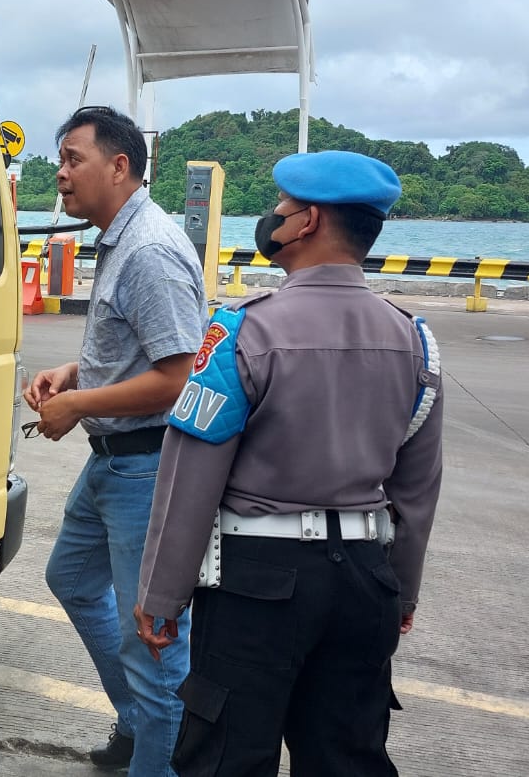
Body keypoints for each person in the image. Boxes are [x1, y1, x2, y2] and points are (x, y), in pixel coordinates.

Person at [133, 150, 444, 777]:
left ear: (308, 223)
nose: (272, 217)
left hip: (257, 585)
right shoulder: (414, 339)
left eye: (281, 206)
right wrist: (402, 591)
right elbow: (416, 489)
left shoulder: (242, 331)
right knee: (347, 756)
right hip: (365, 582)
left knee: (226, 756)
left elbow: (191, 474)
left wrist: (161, 594)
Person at [26, 105, 207, 775]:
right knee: (71, 578)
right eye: (61, 160)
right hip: (112, 464)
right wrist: (74, 373)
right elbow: (136, 347)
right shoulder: (117, 239)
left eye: (73, 159)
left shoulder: (150, 250)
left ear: (119, 166)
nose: (61, 173)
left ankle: (159, 755)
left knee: (153, 642)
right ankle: (138, 721)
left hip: (145, 467)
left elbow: (178, 378)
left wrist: (77, 405)